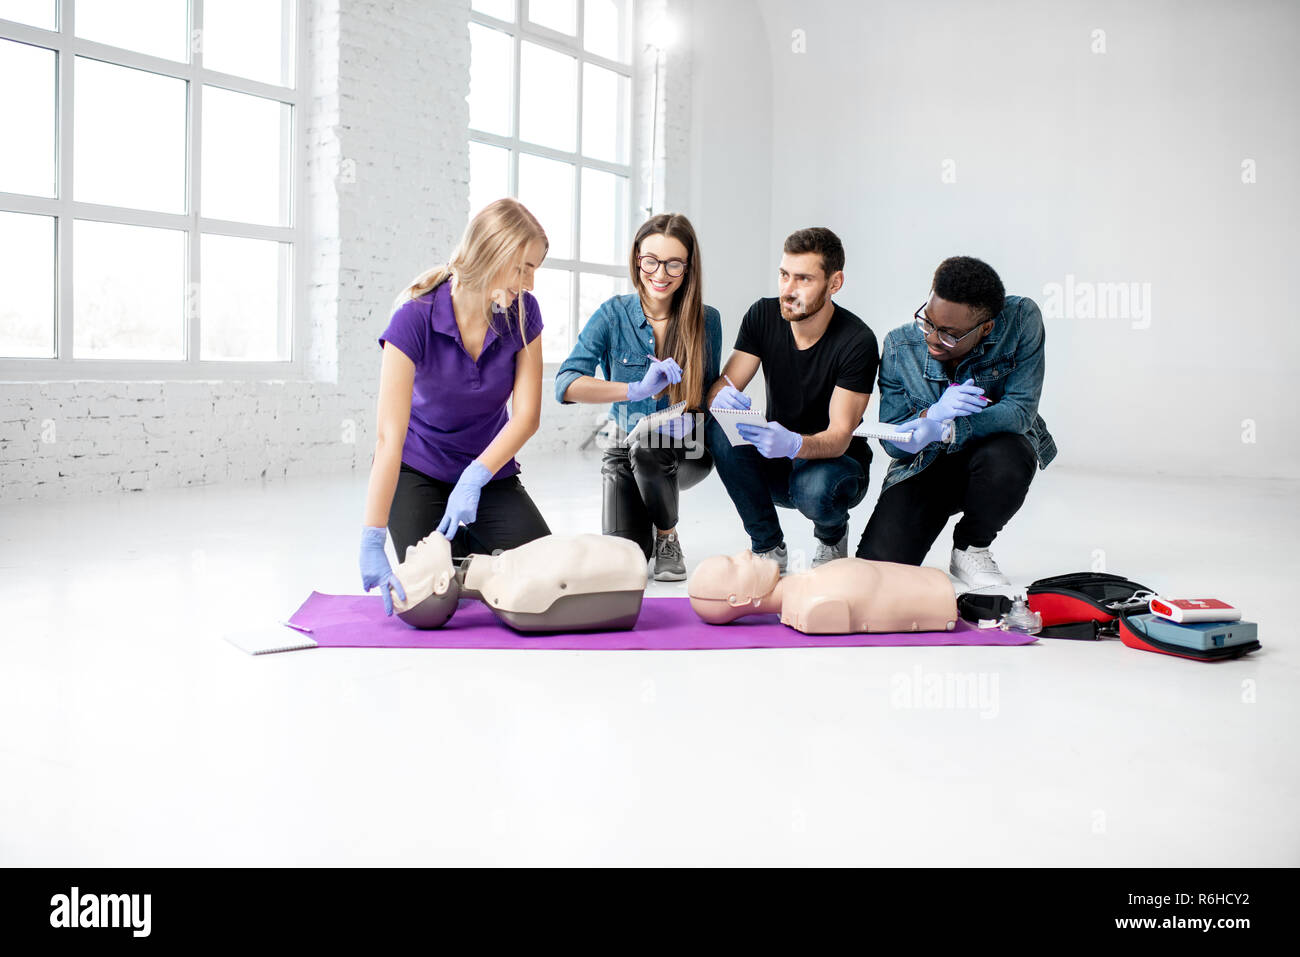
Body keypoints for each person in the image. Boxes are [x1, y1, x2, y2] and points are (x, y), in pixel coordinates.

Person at [358, 198, 552, 615]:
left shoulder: (522, 314)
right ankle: (469, 561)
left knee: (544, 575)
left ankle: (466, 561)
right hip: (419, 471)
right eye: (523, 268)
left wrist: (477, 475)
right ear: (490, 254)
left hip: (488, 472)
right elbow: (389, 438)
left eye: (534, 269)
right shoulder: (414, 319)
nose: (530, 284)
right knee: (428, 608)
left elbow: (527, 416)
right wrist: (372, 537)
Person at [855, 255, 1057, 588]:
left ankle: (971, 547)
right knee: (877, 573)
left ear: (986, 328)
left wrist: (949, 429)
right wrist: (927, 420)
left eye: (949, 334)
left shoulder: (1021, 319)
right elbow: (892, 443)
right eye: (928, 322)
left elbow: (1021, 410)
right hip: (926, 464)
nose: (933, 338)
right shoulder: (899, 346)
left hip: (992, 455)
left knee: (1012, 455)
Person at [555, 213, 721, 581]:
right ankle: (649, 516)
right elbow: (565, 384)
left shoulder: (706, 321)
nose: (661, 274)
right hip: (622, 451)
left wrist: (699, 416)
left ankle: (667, 536)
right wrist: (636, 390)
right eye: (651, 261)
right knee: (622, 564)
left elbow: (706, 399)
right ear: (636, 259)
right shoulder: (612, 315)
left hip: (685, 451)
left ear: (688, 267)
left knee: (650, 445)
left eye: (674, 263)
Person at [704, 227, 878, 571]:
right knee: (718, 428)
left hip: (834, 467)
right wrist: (723, 398)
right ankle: (768, 548)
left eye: (803, 279)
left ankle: (831, 537)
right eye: (784, 275)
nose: (788, 289)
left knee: (815, 488)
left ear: (834, 282)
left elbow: (840, 435)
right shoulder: (763, 315)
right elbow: (721, 388)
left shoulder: (857, 340)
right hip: (776, 459)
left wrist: (794, 443)